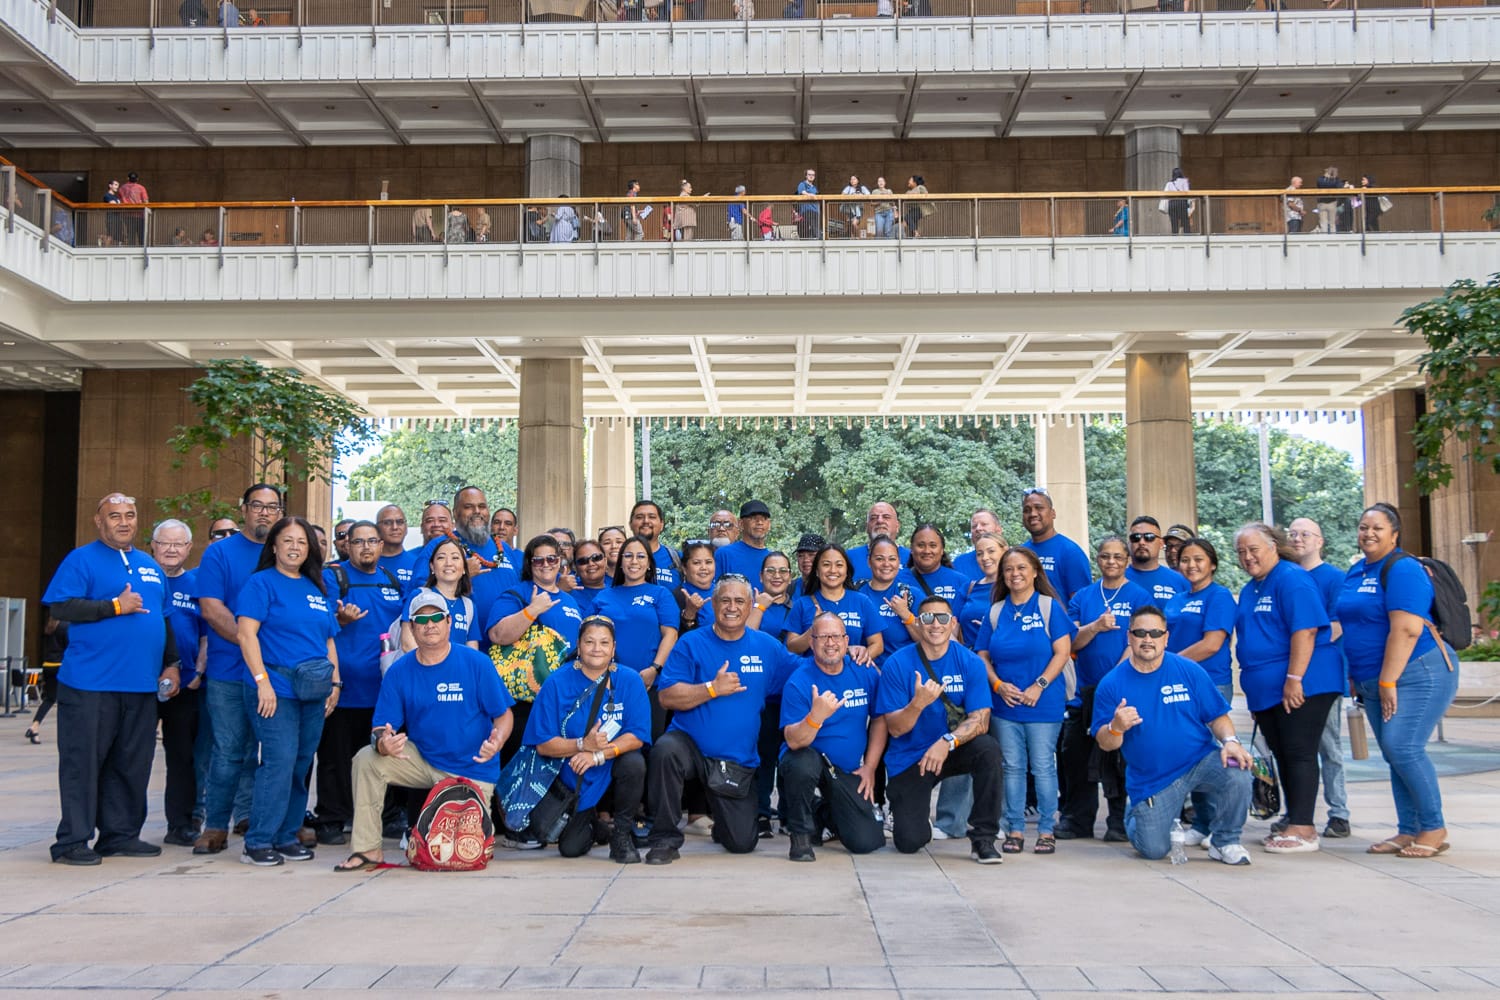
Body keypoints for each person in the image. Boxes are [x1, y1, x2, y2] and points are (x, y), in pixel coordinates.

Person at [334, 590, 513, 872]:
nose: (429, 625)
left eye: (436, 618)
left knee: (464, 853)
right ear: (412, 628)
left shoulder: (476, 663)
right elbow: (381, 727)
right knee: (367, 759)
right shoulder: (399, 670)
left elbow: (504, 716)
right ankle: (367, 849)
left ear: (449, 622)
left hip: (472, 766)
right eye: (421, 620)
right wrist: (384, 744)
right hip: (424, 759)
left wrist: (498, 740)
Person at [43, 493, 177, 865]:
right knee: (82, 764)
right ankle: (72, 841)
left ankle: (119, 835)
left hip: (140, 685)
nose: (123, 522)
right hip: (90, 684)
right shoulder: (81, 559)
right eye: (114, 515)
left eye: (130, 515)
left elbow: (163, 619)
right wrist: (114, 606)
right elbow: (62, 606)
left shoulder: (149, 564)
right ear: (98, 521)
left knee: (131, 763)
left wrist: (172, 663)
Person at [643, 575, 800, 864]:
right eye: (724, 600)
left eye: (739, 601)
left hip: (735, 759)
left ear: (751, 606)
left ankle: (723, 825)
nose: (731, 607)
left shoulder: (767, 647)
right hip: (690, 747)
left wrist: (852, 653)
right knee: (665, 751)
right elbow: (666, 697)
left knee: (742, 843)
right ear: (713, 604)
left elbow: (804, 672)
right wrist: (711, 688)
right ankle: (664, 839)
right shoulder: (691, 643)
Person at [1337, 503, 1459, 859]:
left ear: (1394, 534)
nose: (1368, 533)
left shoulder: (1403, 568)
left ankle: (1433, 826)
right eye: (1363, 527)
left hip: (1418, 671)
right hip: (1372, 679)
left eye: (1377, 528)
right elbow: (1353, 626)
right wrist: (1355, 675)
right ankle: (1409, 829)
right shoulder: (1357, 570)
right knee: (1394, 753)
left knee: (1404, 747)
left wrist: (1388, 681)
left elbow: (1407, 629)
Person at [1093, 607, 1255, 866]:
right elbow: (1105, 743)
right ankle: (1136, 815)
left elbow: (1217, 716)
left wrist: (1231, 742)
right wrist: (1116, 727)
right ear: (1129, 637)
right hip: (1154, 780)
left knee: (1239, 770)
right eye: (1140, 632)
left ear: (1166, 638)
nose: (1148, 639)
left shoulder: (1188, 670)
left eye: (1155, 633)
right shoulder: (1112, 683)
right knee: (1154, 849)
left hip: (1198, 762)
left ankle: (1225, 841)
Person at [236, 516, 341, 867]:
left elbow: (327, 639)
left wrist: (335, 683)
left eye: (302, 541)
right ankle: (259, 840)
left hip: (313, 691)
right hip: (276, 689)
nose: (295, 547)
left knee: (299, 764)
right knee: (278, 763)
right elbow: (246, 635)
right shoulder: (260, 584)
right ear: (275, 546)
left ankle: (286, 835)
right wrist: (261, 681)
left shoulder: (316, 587)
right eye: (288, 541)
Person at [1233, 521, 1343, 855]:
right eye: (1241, 552)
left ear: (1274, 547)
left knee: (1298, 751)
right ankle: (1293, 818)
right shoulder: (1254, 586)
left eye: (1254, 549)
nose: (1248, 557)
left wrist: (1294, 679)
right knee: (1282, 753)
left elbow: (1305, 631)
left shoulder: (1292, 579)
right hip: (1267, 690)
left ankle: (1304, 828)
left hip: (1303, 683)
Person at [876, 596, 1004, 862]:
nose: (935, 624)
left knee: (988, 749)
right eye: (927, 618)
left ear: (953, 623)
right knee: (909, 841)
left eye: (943, 618)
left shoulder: (970, 662)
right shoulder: (897, 664)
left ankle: (983, 838)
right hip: (911, 757)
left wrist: (946, 742)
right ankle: (919, 823)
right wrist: (918, 703)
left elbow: (981, 720)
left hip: (950, 749)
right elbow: (896, 730)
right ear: (918, 624)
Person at [194, 484, 283, 855]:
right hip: (230, 671)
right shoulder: (220, 554)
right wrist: (251, 647)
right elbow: (213, 610)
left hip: (280, 673)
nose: (264, 513)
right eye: (257, 506)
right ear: (243, 509)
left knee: (269, 753)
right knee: (229, 750)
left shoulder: (286, 552)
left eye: (272, 507)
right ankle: (215, 824)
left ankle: (251, 818)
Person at [518, 616, 651, 861]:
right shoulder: (557, 683)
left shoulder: (630, 680)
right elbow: (544, 744)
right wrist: (581, 745)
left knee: (635, 763)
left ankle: (621, 835)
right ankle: (595, 825)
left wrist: (597, 755)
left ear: (613, 648)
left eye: (604, 642)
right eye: (589, 642)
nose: (596, 649)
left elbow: (636, 737)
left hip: (613, 764)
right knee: (570, 849)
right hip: (574, 774)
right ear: (578, 647)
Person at [310, 520, 406, 847]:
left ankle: (388, 815)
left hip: (383, 690)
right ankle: (331, 818)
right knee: (335, 757)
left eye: (372, 541)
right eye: (359, 542)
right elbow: (320, 624)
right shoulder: (333, 576)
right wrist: (340, 619)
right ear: (347, 546)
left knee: (384, 754)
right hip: (344, 687)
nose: (366, 547)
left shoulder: (392, 580)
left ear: (381, 545)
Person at [977, 548, 1075, 855]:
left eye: (1021, 567)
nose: (1014, 573)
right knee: (1012, 767)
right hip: (1005, 705)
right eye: (1008, 569)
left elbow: (1062, 652)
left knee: (1044, 767)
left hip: (1042, 704)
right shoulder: (995, 611)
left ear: (1035, 572)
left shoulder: (1049, 607)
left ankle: (1047, 829)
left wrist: (1040, 685)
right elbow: (981, 655)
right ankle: (1015, 828)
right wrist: (997, 684)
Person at [1058, 535, 1150, 842]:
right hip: (1083, 692)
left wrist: (1113, 681)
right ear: (1098, 560)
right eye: (1105, 556)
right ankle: (1077, 819)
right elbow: (1071, 642)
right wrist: (1095, 626)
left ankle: (1118, 822)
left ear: (1126, 561)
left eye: (1117, 557)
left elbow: (1138, 641)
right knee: (1076, 756)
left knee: (1118, 760)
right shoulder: (1083, 597)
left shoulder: (1138, 595)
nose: (1111, 562)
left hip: (1123, 689)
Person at [778, 613, 887, 861]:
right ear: (812, 642)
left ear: (847, 640)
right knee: (801, 761)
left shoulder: (865, 671)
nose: (830, 643)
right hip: (807, 761)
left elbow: (880, 719)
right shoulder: (799, 680)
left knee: (867, 840)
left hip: (844, 770)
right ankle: (801, 835)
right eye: (823, 637)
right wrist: (815, 717)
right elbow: (793, 740)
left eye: (836, 636)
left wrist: (869, 767)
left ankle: (821, 812)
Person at [486, 534, 584, 757]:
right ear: (530, 564)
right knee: (519, 771)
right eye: (538, 560)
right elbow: (498, 634)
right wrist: (532, 610)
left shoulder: (570, 600)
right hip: (526, 700)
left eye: (551, 559)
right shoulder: (517, 593)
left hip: (564, 696)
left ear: (560, 561)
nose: (546, 565)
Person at [1288, 516, 1351, 839]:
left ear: (1319, 541)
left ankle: (1338, 812)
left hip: (1321, 678)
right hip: (1286, 679)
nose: (1298, 539)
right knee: (1291, 748)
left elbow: (1336, 626)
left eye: (1305, 534)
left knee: (1328, 746)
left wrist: (1303, 645)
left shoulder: (1334, 579)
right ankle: (1296, 812)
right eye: (1293, 533)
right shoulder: (1284, 577)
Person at [151, 518, 207, 847]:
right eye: (164, 543)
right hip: (140, 686)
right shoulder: (142, 580)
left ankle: (180, 824)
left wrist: (199, 674)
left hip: (185, 686)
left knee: (182, 758)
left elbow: (206, 635)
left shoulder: (197, 584)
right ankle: (123, 825)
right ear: (153, 546)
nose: (171, 549)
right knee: (133, 755)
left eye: (178, 544)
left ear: (188, 548)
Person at [591, 535, 679, 735]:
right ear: (620, 562)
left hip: (648, 683)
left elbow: (670, 635)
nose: (634, 561)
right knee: (605, 743)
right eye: (628, 556)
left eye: (640, 556)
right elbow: (586, 636)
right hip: (606, 684)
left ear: (649, 563)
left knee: (646, 745)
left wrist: (654, 669)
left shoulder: (660, 594)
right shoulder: (603, 596)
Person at [1164, 537, 1236, 703]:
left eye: (1198, 560)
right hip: (1177, 681)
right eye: (1185, 560)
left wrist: (1169, 665)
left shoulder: (1219, 596)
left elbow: (1211, 645)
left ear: (1212, 564)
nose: (1191, 565)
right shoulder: (1176, 599)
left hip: (1210, 682)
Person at [786, 544, 883, 666]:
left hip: (851, 674)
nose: (833, 570)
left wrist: (859, 659)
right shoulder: (802, 604)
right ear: (816, 571)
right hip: (815, 674)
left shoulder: (862, 601)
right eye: (826, 564)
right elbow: (791, 647)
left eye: (839, 565)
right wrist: (814, 629)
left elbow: (877, 645)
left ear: (847, 571)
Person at [856, 535, 919, 667]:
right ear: (869, 561)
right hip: (864, 671)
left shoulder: (911, 594)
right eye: (879, 559)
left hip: (902, 673)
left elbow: (928, 640)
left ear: (899, 562)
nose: (886, 564)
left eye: (892, 559)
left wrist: (906, 615)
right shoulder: (856, 593)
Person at [1021, 488, 1092, 602]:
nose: (1033, 514)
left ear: (1053, 513)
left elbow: (1081, 603)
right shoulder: (1020, 553)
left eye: (1039, 508)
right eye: (1027, 510)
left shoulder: (1071, 552)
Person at [956, 532, 1006, 648]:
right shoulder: (968, 588)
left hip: (1003, 658)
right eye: (979, 554)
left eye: (991, 551)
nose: (985, 558)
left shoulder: (1015, 588)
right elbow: (952, 626)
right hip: (971, 660)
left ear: (1005, 551)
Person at [1124, 516, 1189, 603]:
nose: (1141, 542)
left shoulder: (1180, 581)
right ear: (1129, 543)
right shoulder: (1115, 579)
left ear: (1161, 543)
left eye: (1149, 537)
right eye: (1135, 537)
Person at [24, 616, 66, 746]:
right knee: (68, 700)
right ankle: (68, 732)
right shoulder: (65, 626)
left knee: (49, 699)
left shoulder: (50, 627)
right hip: (60, 666)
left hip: (48, 665)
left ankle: (34, 727)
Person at [905, 523, 968, 606]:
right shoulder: (897, 580)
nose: (927, 551)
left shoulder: (961, 582)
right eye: (921, 545)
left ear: (942, 550)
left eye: (933, 545)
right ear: (912, 549)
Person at [846, 502, 907, 583]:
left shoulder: (913, 559)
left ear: (897, 526)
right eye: (873, 518)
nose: (880, 521)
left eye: (886, 517)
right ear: (867, 527)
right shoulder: (848, 558)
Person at [714, 500, 773, 580]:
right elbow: (713, 589)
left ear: (769, 525)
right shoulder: (724, 554)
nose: (759, 522)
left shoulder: (774, 559)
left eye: (764, 518)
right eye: (753, 518)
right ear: (741, 524)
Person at [629, 500, 679, 588]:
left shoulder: (677, 558)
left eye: (652, 517)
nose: (646, 521)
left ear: (661, 524)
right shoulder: (621, 558)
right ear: (630, 524)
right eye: (639, 517)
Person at [675, 539, 718, 634]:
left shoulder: (722, 592)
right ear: (684, 568)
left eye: (708, 562)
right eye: (696, 563)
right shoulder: (676, 597)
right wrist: (689, 614)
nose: (703, 567)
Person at [953, 509, 1002, 583]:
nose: (978, 528)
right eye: (974, 526)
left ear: (998, 530)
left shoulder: (1013, 558)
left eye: (984, 524)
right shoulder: (960, 563)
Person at [375, 504, 414, 587]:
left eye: (400, 522)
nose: (395, 527)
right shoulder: (366, 563)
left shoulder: (418, 564)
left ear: (406, 528)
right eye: (388, 523)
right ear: (377, 529)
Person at [568, 539, 610, 617]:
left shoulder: (617, 591)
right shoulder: (569, 593)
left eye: (596, 558)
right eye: (583, 561)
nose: (591, 564)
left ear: (605, 561)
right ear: (575, 567)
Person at [792, 532, 825, 597]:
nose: (806, 560)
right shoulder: (789, 588)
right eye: (801, 556)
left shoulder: (832, 587)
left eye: (811, 555)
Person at [1164, 166, 1192, 235]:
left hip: (1172, 204)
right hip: (1182, 203)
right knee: (1185, 223)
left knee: (1174, 223)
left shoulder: (1169, 183)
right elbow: (1187, 193)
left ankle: (1175, 237)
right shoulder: (1184, 182)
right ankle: (1188, 238)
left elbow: (1165, 193)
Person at [1315, 165, 1342, 234]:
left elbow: (1339, 186)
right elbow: (1321, 184)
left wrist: (1331, 179)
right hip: (1322, 203)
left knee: (1332, 222)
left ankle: (1333, 236)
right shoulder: (1321, 179)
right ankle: (1324, 237)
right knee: (1323, 222)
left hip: (1332, 202)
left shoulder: (1336, 179)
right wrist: (1328, 179)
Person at [840, 174, 869, 239]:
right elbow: (842, 195)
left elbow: (868, 195)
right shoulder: (848, 188)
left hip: (858, 209)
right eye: (851, 179)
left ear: (858, 180)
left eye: (854, 179)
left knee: (854, 223)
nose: (852, 180)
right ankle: (852, 237)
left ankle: (857, 237)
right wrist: (851, 195)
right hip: (849, 209)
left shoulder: (862, 188)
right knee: (850, 224)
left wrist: (861, 195)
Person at [796, 168, 820, 239]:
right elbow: (802, 192)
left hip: (815, 210)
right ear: (806, 176)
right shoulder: (802, 184)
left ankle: (816, 242)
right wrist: (811, 195)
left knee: (815, 228)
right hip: (806, 211)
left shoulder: (814, 188)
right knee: (805, 229)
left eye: (813, 175)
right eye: (809, 174)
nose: (811, 176)